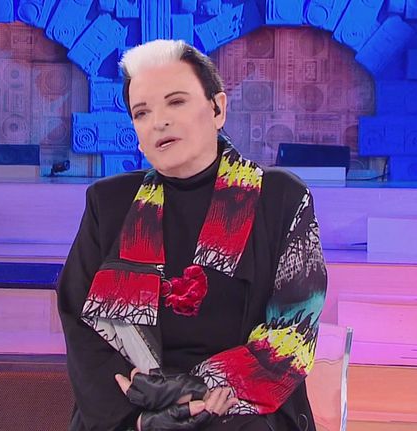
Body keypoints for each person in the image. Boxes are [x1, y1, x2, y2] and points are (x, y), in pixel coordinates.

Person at [57, 39, 327, 430]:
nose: (159, 122)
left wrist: (188, 392)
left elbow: (291, 334)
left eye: (176, 102)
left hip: (242, 410)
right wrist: (142, 419)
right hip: (131, 412)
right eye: (142, 112)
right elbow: (81, 325)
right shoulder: (109, 203)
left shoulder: (281, 198)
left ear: (217, 109)